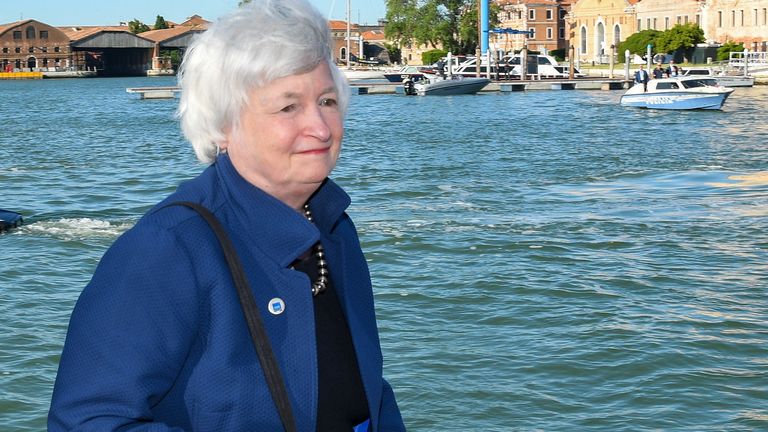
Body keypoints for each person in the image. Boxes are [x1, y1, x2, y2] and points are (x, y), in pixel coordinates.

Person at [48, 1, 406, 431]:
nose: (321, 127)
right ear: (223, 125)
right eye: (288, 107)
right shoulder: (170, 247)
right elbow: (89, 420)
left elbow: (367, 392)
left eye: (327, 100)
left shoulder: (333, 226)